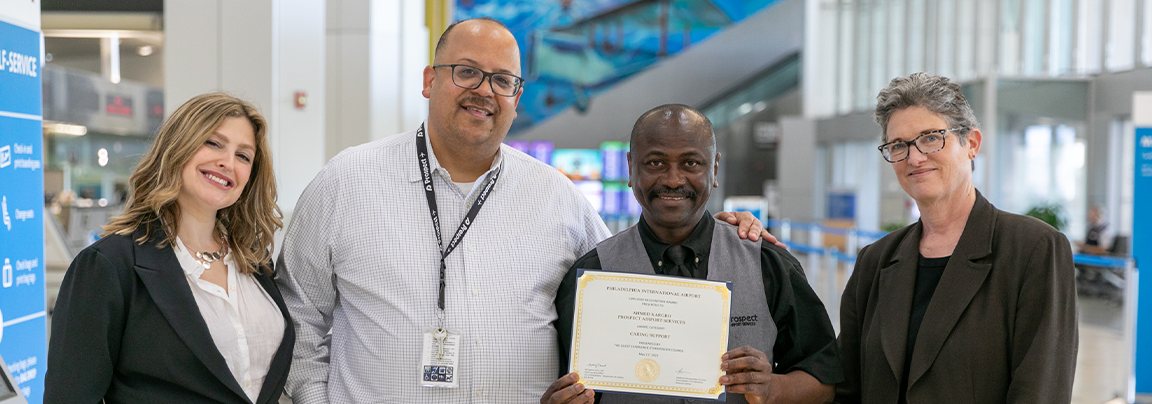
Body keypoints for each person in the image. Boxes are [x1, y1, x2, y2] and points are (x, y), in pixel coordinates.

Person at [276, 18, 777, 404]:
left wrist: (718, 230)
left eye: (502, 80)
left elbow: (630, 279)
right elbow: (299, 313)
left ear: (517, 97)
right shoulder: (347, 182)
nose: (483, 91)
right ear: (430, 80)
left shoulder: (555, 196)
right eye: (467, 72)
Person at [544, 104, 842, 404]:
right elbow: (562, 382)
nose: (673, 179)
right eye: (655, 163)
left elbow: (825, 383)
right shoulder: (592, 277)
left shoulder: (767, 265)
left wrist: (772, 388)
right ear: (631, 168)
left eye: (691, 163)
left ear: (713, 169)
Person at [835, 73, 1078, 404]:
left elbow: (1039, 392)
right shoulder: (874, 262)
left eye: (931, 138)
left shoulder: (1033, 249)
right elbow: (845, 388)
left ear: (972, 144)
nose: (914, 157)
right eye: (898, 145)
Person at [44, 93, 294, 404]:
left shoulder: (255, 263)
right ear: (178, 147)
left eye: (244, 156)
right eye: (214, 143)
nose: (228, 162)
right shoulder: (108, 266)